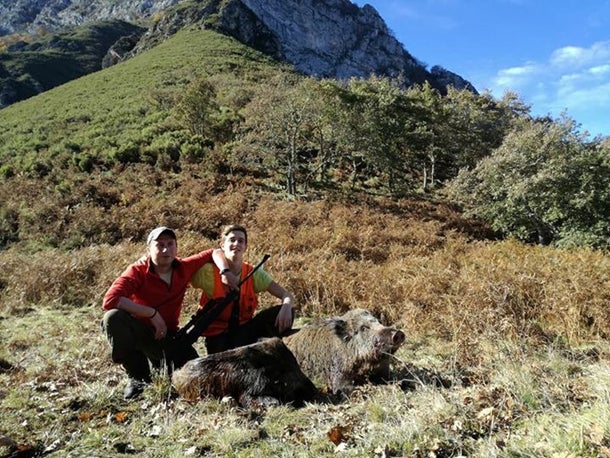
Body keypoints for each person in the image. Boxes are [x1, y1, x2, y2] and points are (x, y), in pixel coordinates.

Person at [102, 226, 230, 399]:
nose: (165, 249)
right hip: (141, 333)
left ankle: (159, 365)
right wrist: (151, 314)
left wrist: (225, 272)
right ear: (148, 249)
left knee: (196, 374)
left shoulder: (183, 267)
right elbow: (110, 300)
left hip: (169, 338)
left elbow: (214, 252)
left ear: (176, 247)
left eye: (170, 244)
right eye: (159, 245)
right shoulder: (137, 270)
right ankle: (138, 377)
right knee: (113, 318)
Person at [190, 224, 296, 354]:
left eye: (241, 241)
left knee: (285, 312)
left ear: (246, 247)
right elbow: (182, 278)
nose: (236, 244)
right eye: (232, 240)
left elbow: (286, 295)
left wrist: (286, 307)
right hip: (218, 335)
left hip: (244, 330)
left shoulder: (253, 273)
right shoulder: (208, 272)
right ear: (222, 245)